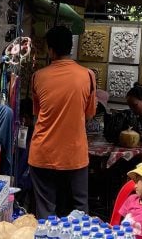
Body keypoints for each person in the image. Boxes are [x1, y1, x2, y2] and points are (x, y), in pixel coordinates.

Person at [29, 24, 97, 216]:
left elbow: (38, 115)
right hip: (74, 154)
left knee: (45, 211)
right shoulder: (88, 76)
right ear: (71, 47)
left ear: (51, 50)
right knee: (80, 208)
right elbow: (89, 115)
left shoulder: (37, 78)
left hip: (43, 154)